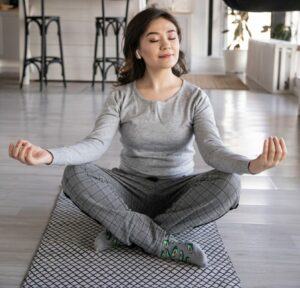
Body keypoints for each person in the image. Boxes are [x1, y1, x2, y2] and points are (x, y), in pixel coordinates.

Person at [8, 8, 287, 268]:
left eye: (172, 37)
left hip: (178, 190)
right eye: (154, 39)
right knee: (75, 174)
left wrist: (251, 165)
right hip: (128, 189)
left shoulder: (195, 97)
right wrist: (49, 155)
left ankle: (124, 231)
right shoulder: (121, 96)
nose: (166, 45)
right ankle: (161, 242)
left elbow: (212, 150)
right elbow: (95, 145)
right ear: (138, 51)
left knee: (229, 183)